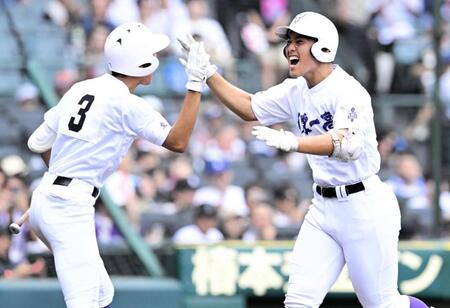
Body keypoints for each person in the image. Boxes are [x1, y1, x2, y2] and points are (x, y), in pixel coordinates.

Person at [178, 11, 430, 308]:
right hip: (323, 208)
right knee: (298, 301)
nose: (290, 48)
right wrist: (209, 74)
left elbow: (349, 144)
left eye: (299, 41)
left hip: (363, 206)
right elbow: (249, 107)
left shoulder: (347, 90)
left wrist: (294, 142)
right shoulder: (296, 89)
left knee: (383, 304)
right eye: (289, 41)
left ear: (323, 46)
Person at [26, 22, 209, 308]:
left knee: (101, 295)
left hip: (46, 199)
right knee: (84, 302)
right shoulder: (126, 103)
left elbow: (37, 143)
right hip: (68, 207)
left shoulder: (82, 87)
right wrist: (195, 85)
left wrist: (59, 177)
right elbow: (178, 142)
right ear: (142, 63)